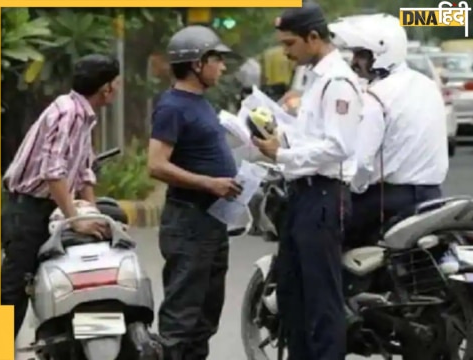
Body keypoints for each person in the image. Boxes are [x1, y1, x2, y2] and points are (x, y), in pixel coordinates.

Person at [252, 4, 363, 360]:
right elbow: (311, 136)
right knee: (293, 294)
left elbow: (339, 146)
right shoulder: (315, 79)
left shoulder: (338, 83)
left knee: (321, 299)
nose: (286, 52)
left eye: (290, 44)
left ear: (313, 38)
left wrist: (282, 155)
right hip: (302, 195)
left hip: (323, 196)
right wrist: (278, 135)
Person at [1, 54, 121, 338]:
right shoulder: (67, 113)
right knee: (13, 290)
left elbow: (82, 172)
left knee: (75, 277)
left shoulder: (83, 116)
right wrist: (76, 220)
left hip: (50, 207)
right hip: (29, 210)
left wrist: (92, 214)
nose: (118, 87)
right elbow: (53, 173)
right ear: (106, 88)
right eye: (116, 81)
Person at [147, 25, 242, 360]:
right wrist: (209, 183)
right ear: (197, 63)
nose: (223, 67)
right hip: (188, 223)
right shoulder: (173, 106)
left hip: (212, 223)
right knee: (181, 320)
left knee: (205, 318)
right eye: (217, 59)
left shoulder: (200, 104)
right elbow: (156, 164)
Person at [329, 14, 448, 248]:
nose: (354, 62)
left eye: (361, 55)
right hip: (432, 196)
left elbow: (362, 163)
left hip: (386, 201)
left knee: (324, 237)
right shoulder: (427, 85)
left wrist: (350, 186)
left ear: (381, 54)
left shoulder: (376, 97)